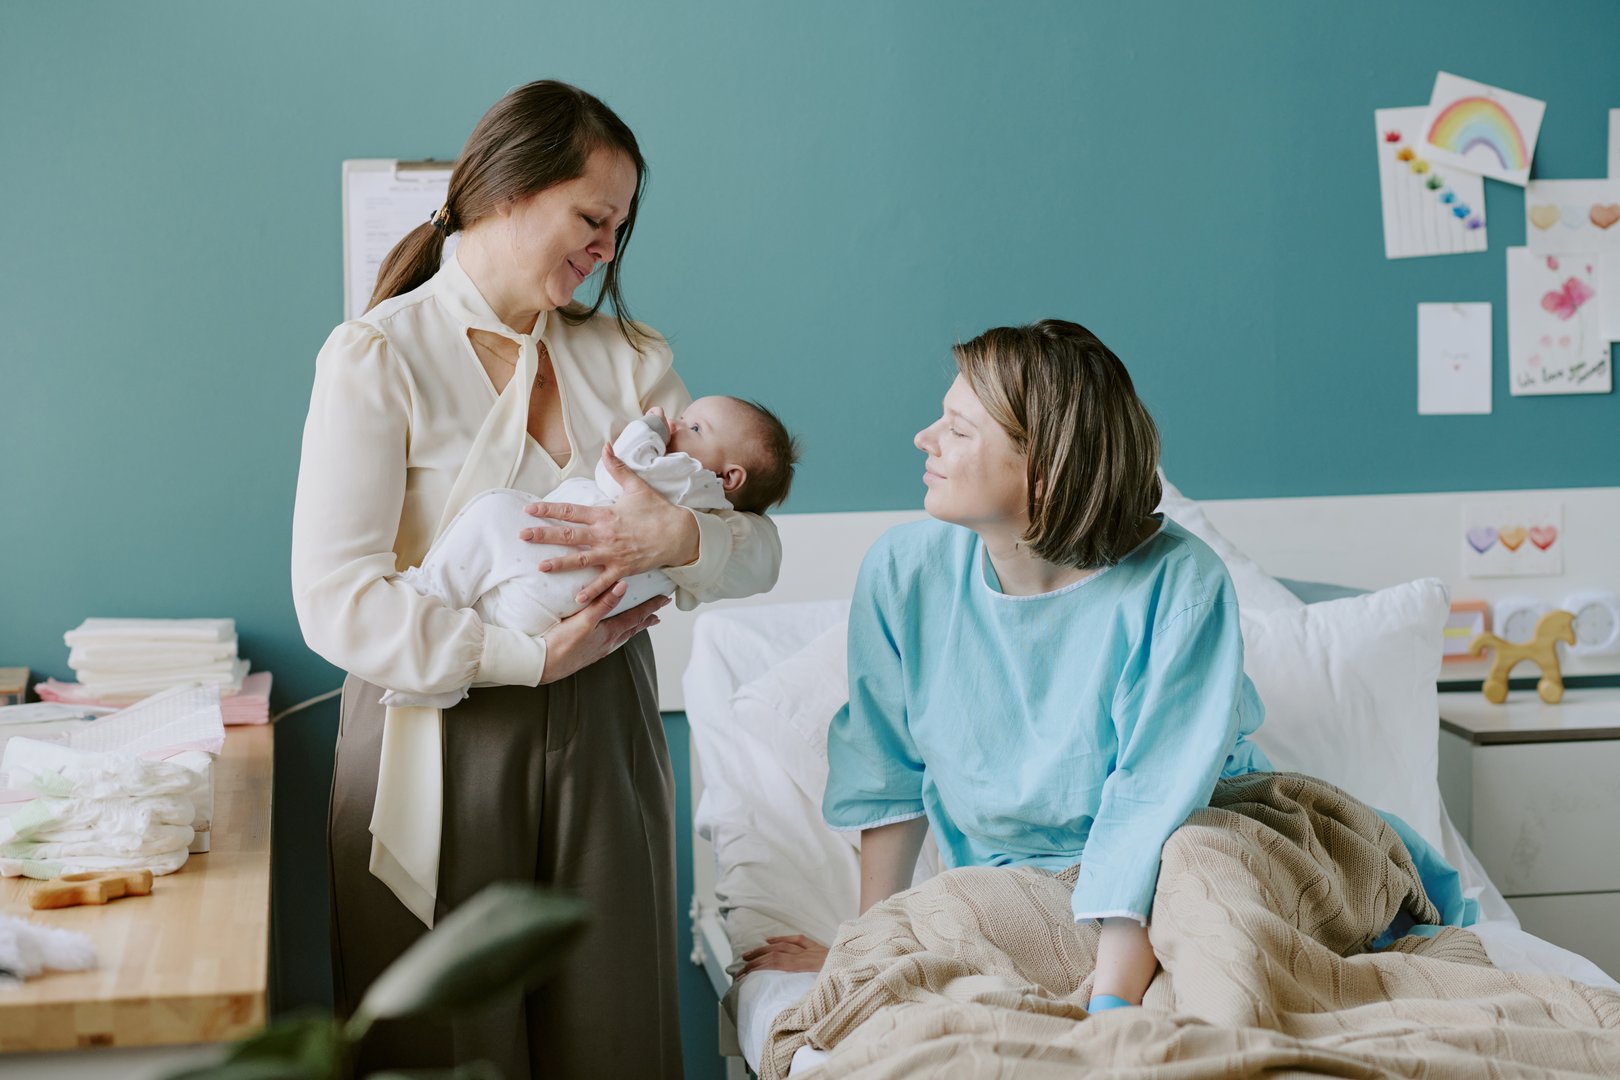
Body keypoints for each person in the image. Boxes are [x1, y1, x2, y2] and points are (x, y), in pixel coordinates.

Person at [291, 80, 781, 1078]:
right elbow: (334, 599)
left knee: (616, 1038)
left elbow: (759, 554)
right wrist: (523, 654)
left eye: (619, 231)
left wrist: (675, 534)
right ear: (510, 189)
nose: (606, 250)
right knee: (446, 1049)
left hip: (607, 735)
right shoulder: (378, 358)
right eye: (592, 218)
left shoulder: (635, 367)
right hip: (435, 735)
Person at [742, 319, 1269, 1012]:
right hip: (1006, 891)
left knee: (1219, 978)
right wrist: (867, 945)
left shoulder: (1179, 584)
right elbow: (888, 774)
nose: (924, 439)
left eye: (958, 431)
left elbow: (1153, 807)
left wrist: (1109, 1008)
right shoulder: (905, 572)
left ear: (1045, 474)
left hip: (1182, 860)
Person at [382, 396, 799, 709]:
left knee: (492, 513)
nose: (676, 422)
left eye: (693, 427)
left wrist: (648, 428)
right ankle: (440, 676)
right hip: (556, 618)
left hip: (552, 591)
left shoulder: (687, 477)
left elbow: (621, 465)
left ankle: (428, 607)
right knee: (486, 615)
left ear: (729, 476)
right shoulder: (707, 491)